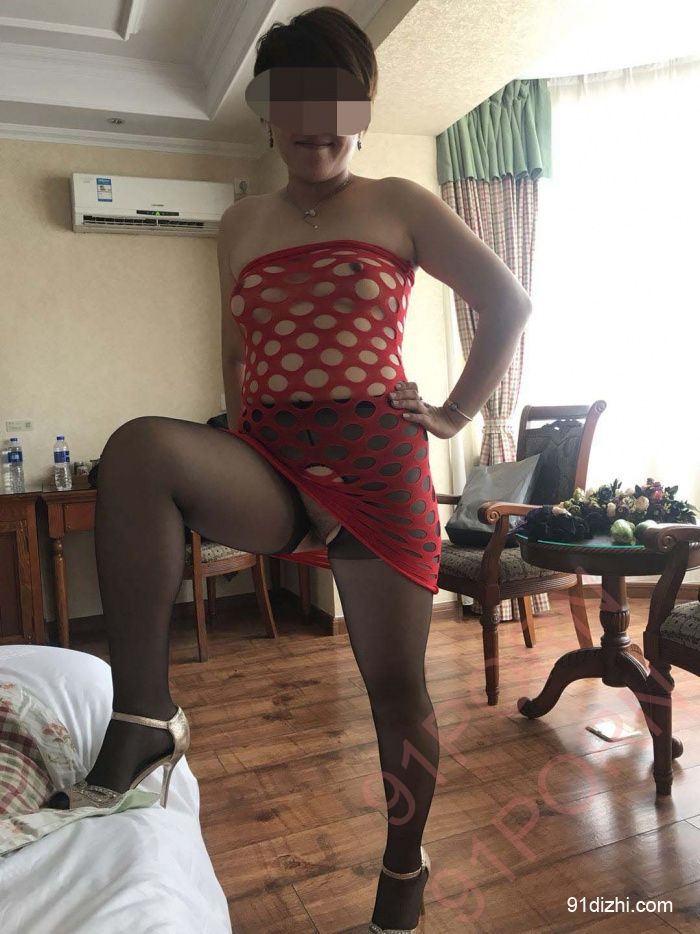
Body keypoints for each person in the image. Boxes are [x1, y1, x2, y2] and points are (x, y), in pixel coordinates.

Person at [46, 7, 532, 932]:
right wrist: (241, 438)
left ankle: (403, 866)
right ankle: (144, 719)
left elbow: (507, 304)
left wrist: (455, 414)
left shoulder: (399, 202)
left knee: (395, 692)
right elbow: (236, 352)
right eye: (297, 102)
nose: (318, 122)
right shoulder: (239, 222)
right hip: (272, 460)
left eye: (338, 101)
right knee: (138, 448)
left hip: (377, 471)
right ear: (268, 113)